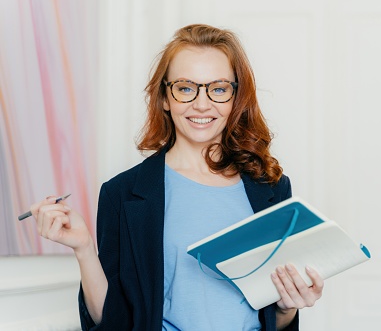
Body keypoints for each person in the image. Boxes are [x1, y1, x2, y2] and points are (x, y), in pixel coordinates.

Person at [30, 24, 324, 330]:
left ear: (236, 98)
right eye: (185, 87)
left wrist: (289, 305)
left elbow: (274, 319)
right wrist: (84, 249)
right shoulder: (123, 193)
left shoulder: (272, 189)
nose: (202, 103)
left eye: (219, 88)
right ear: (165, 98)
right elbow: (113, 322)